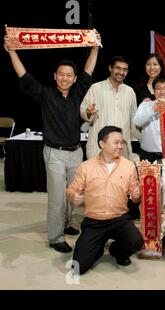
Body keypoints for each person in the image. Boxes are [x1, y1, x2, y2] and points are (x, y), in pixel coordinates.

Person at [3, 31, 101, 253]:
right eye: (61, 74)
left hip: (76, 152)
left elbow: (88, 70)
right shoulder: (45, 94)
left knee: (72, 195)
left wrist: (94, 48)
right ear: (55, 76)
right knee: (57, 198)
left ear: (74, 79)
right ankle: (56, 237)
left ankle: (65, 224)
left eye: (69, 75)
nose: (65, 78)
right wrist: (12, 51)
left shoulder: (77, 93)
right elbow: (25, 78)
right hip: (54, 153)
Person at [66, 126, 144, 274]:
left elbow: (135, 197)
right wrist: (72, 195)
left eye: (122, 142)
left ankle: (116, 251)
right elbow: (71, 190)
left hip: (119, 219)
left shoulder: (128, 166)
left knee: (136, 242)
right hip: (94, 221)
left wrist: (137, 194)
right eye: (116, 142)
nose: (120, 146)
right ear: (102, 144)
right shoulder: (86, 167)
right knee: (78, 268)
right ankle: (98, 246)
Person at [80, 56, 140, 160]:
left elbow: (134, 122)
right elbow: (83, 111)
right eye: (118, 68)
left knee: (120, 176)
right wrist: (89, 112)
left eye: (124, 69)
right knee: (97, 176)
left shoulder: (130, 92)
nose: (121, 72)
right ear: (110, 68)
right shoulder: (96, 88)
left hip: (121, 149)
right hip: (97, 149)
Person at [133, 77, 165, 163]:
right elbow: (137, 122)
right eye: (158, 88)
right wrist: (154, 109)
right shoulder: (145, 105)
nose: (162, 92)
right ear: (153, 91)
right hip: (147, 154)